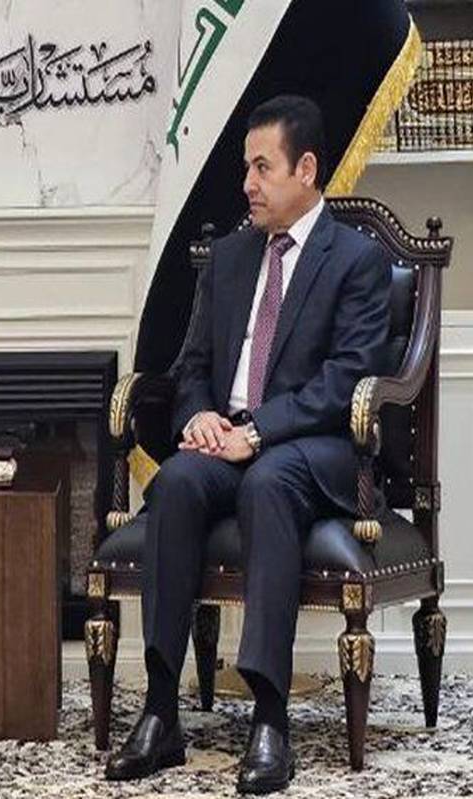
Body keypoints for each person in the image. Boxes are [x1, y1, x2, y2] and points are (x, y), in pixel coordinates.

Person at [104, 95, 391, 795]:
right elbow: (191, 366)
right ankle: (161, 710)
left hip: (312, 447)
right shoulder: (229, 257)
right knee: (175, 481)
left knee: (269, 480)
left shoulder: (356, 261)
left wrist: (256, 432)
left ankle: (269, 717)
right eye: (246, 168)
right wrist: (201, 418)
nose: (248, 184)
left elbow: (345, 381)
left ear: (306, 169)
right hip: (227, 438)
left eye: (263, 168)